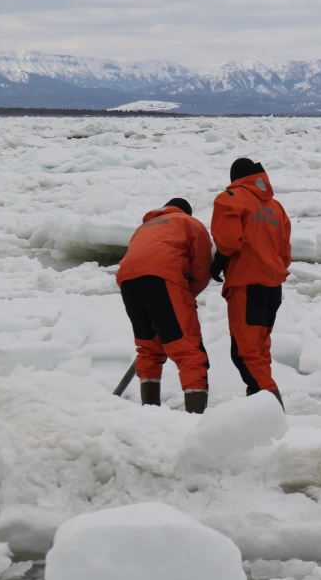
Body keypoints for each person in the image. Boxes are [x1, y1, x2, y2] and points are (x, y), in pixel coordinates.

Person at [117, 198, 212, 413]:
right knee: (189, 351)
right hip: (163, 279)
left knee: (148, 348)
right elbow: (201, 266)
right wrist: (185, 296)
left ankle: (150, 412)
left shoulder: (143, 227)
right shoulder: (189, 223)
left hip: (128, 283)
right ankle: (195, 420)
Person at [210, 158, 292, 408]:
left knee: (246, 353)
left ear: (235, 178)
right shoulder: (276, 207)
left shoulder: (231, 198)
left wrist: (216, 264)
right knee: (259, 351)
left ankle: (272, 409)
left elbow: (228, 241)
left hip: (247, 284)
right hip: (272, 286)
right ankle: (258, 409)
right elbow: (285, 252)